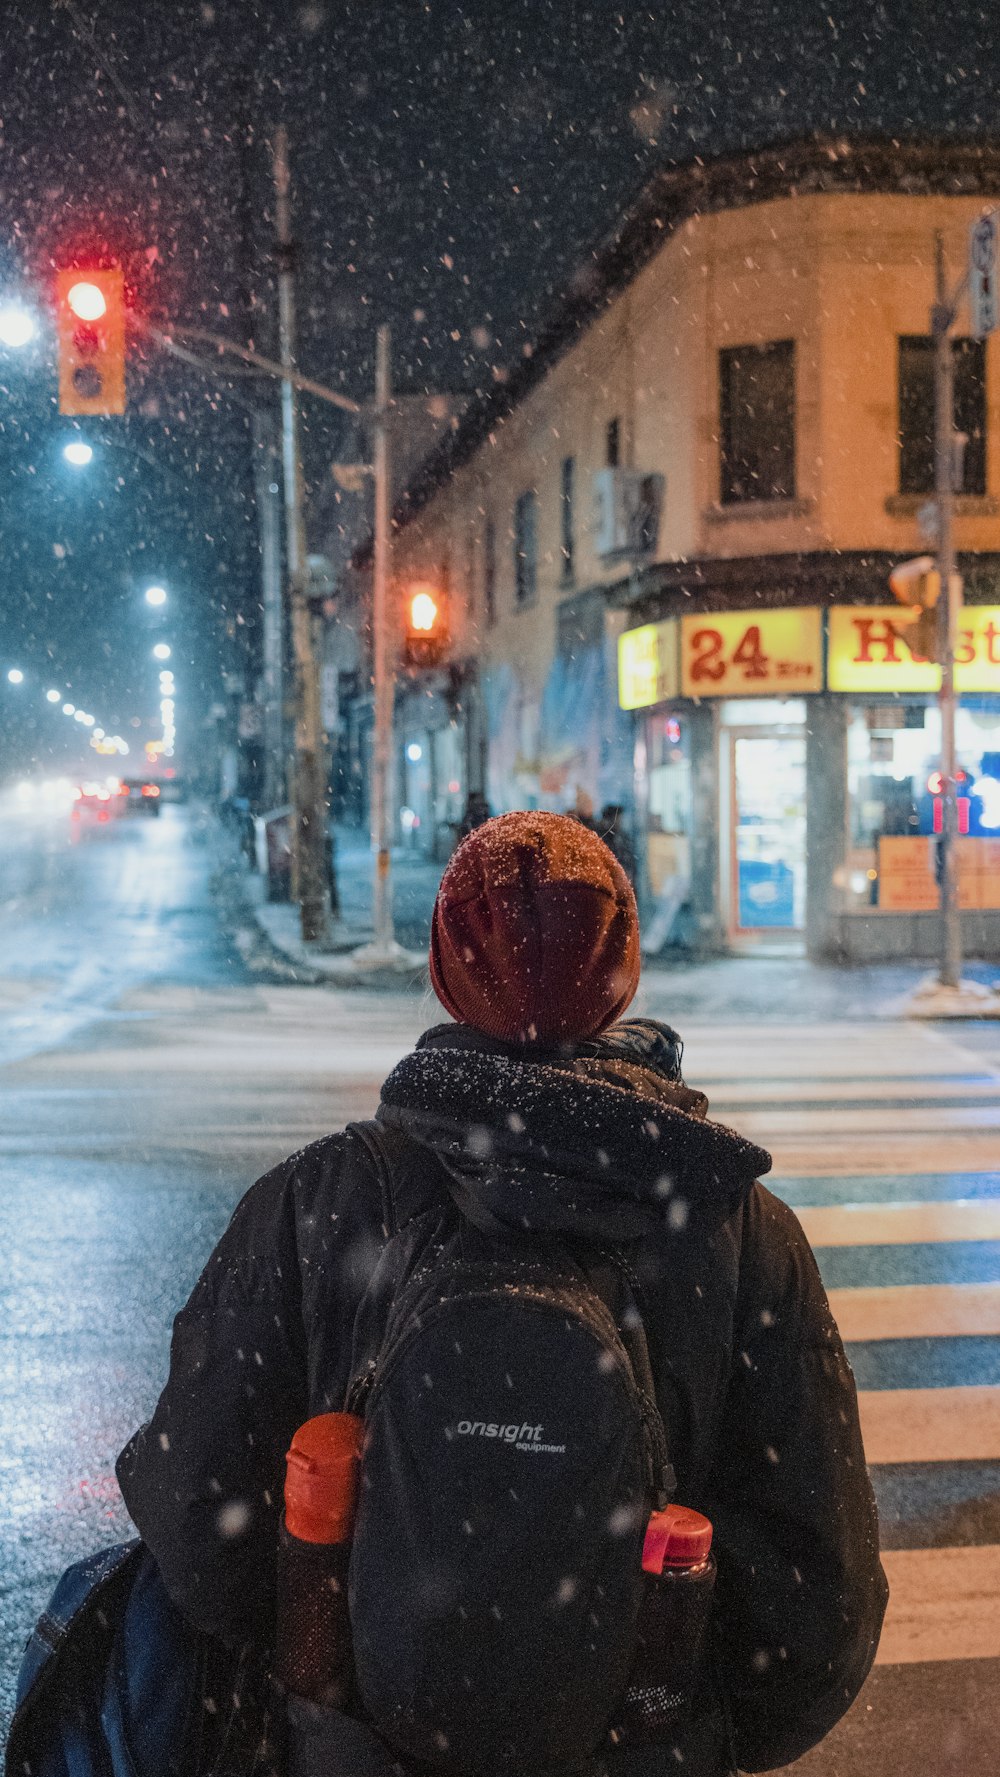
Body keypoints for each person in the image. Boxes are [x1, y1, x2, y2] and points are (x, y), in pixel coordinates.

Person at [116, 811, 886, 1776]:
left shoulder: (318, 1201)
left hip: (354, 1747)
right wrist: (683, 1725)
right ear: (623, 974)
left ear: (444, 969)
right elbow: (821, 1602)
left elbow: (197, 1511)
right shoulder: (737, 1230)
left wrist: (333, 1677)